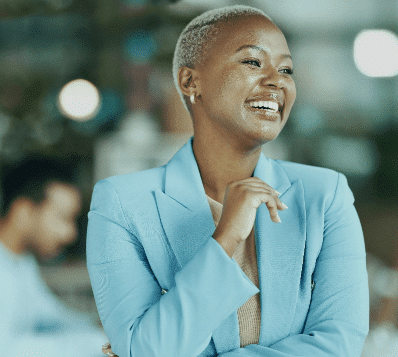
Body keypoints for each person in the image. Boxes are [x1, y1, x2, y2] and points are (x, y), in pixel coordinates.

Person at [87, 5, 369, 357]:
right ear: (191, 82)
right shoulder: (121, 203)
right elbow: (147, 350)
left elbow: (338, 346)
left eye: (286, 69)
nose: (277, 80)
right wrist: (226, 238)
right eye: (252, 62)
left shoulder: (326, 196)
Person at [0, 156, 106, 357]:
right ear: (23, 211)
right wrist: (100, 343)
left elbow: (52, 316)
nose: (70, 234)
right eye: (63, 218)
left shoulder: (21, 262)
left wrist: (106, 331)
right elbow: (6, 350)